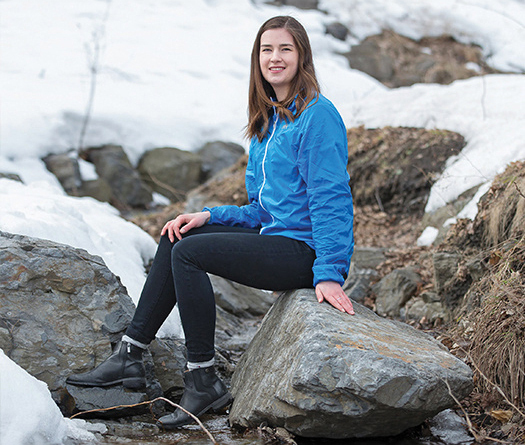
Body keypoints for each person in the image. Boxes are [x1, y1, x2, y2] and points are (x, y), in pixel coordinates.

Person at [66, 15, 354, 429]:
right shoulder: (266, 122)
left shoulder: (317, 116)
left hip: (304, 251)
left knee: (190, 254)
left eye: (285, 49)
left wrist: (329, 272)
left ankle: (202, 379)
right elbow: (261, 210)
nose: (274, 58)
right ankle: (129, 356)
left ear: (302, 56)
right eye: (266, 49)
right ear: (257, 59)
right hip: (275, 234)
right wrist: (209, 215)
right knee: (179, 234)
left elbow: (331, 199)